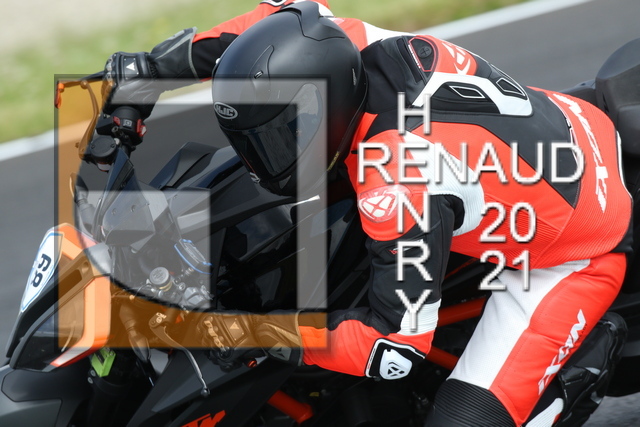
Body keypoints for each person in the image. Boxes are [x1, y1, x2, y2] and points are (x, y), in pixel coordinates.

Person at [100, 1, 632, 425]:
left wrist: (259, 334)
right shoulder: (346, 46)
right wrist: (152, 70)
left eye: (282, 136)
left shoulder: (398, 181)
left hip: (573, 252)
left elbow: (394, 349)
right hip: (565, 125)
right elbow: (278, 21)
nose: (263, 158)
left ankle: (573, 370)